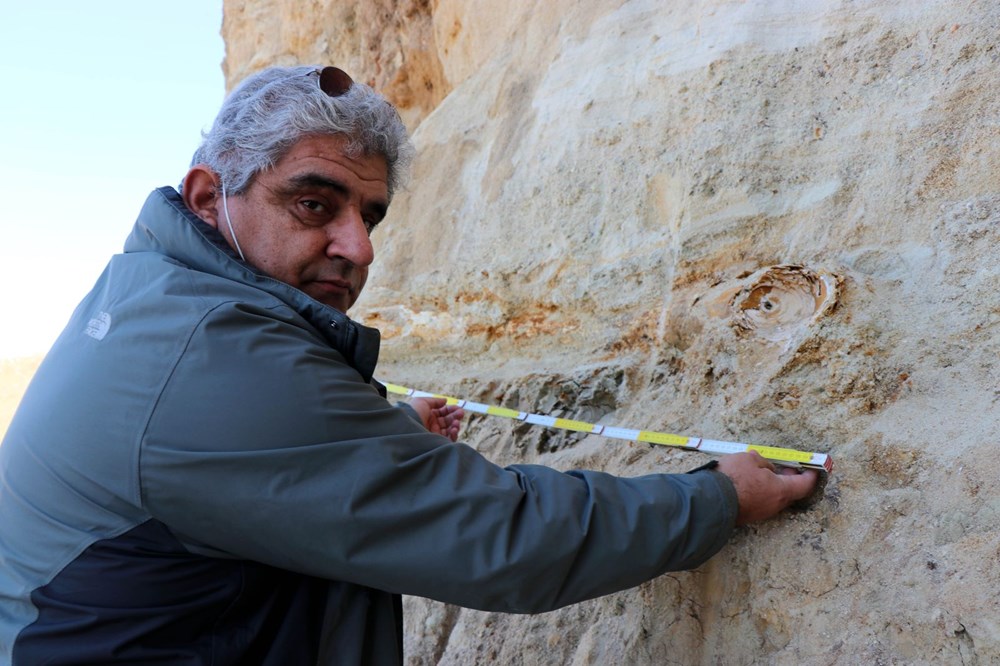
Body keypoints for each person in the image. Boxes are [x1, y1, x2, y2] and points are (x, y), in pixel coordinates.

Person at [0, 65, 818, 665]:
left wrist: (382, 434)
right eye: (314, 203)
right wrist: (717, 499)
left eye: (371, 215)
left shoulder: (151, 292)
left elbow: (234, 469)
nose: (355, 247)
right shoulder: (211, 352)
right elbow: (501, 537)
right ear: (212, 196)